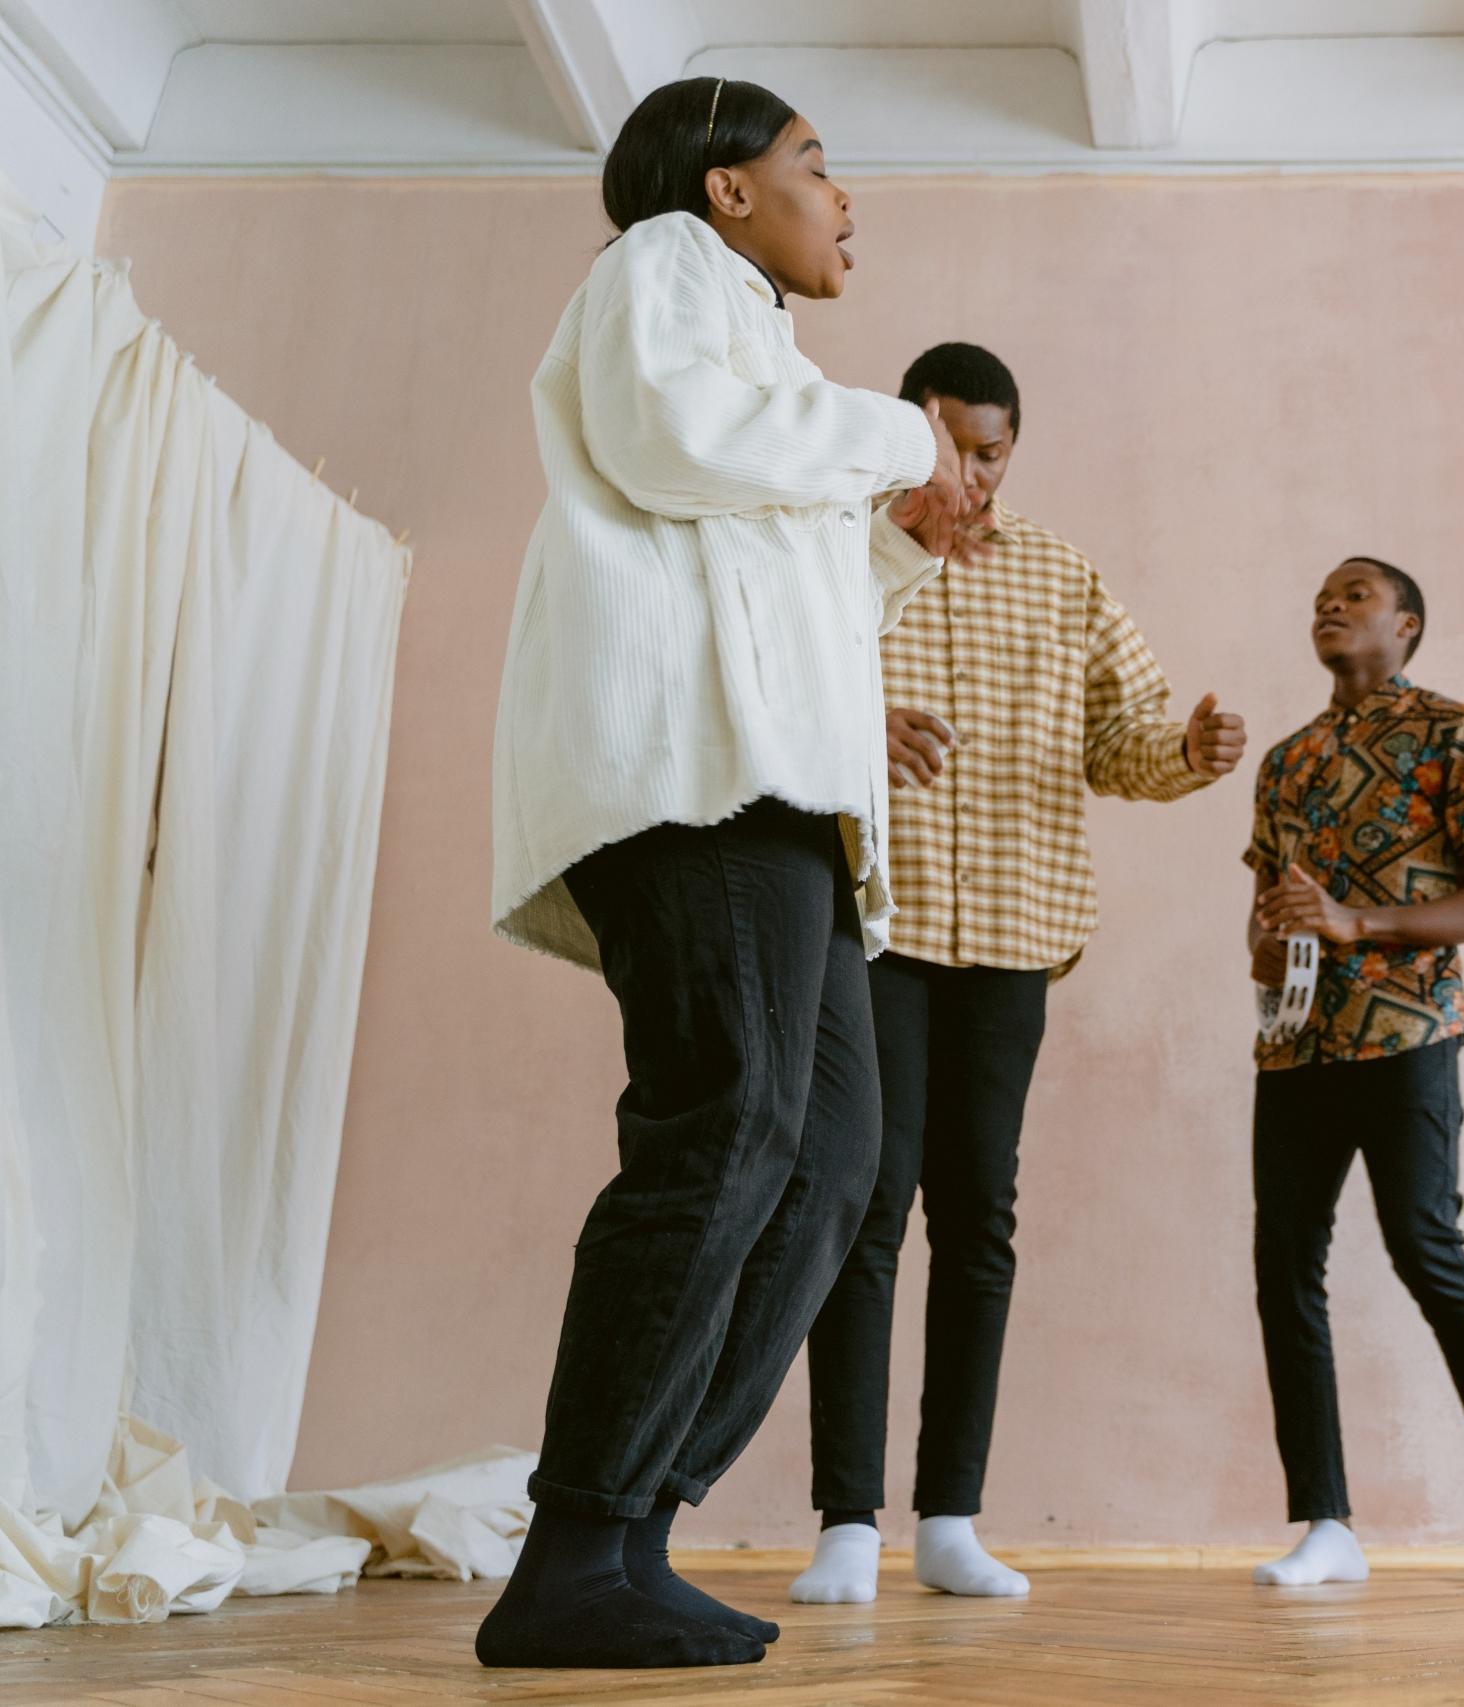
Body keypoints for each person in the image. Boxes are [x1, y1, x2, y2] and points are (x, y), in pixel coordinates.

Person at [477, 76, 971, 1669]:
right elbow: (674, 442)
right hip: (701, 785)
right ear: (727, 186)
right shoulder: (665, 267)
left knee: (829, 1157)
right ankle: (575, 1545)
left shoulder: (753, 338)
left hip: (778, 788)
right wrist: (914, 432)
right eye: (818, 166)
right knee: (731, 1121)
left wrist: (892, 552)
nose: (847, 201)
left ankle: (631, 1522)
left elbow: (759, 565)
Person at [792, 343, 1248, 1605]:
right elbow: (772, 688)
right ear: (902, 434)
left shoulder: (1060, 573)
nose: (973, 473)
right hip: (876, 923)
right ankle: (846, 1522)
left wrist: (1193, 752)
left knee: (978, 1223)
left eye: (992, 452)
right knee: (862, 1214)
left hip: (1017, 928)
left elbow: (1124, 743)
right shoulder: (832, 549)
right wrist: (853, 726)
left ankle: (951, 1519)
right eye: (951, 445)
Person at [1241, 557, 1464, 1589]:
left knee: (1426, 1247)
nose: (1331, 603)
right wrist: (1278, 939)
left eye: (1356, 593)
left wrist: (1355, 925)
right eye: (1321, 596)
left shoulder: (1455, 730)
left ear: (1410, 625)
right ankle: (1325, 1526)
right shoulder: (1285, 760)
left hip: (1409, 1033)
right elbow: (1261, 931)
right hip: (1296, 1044)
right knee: (1283, 1272)